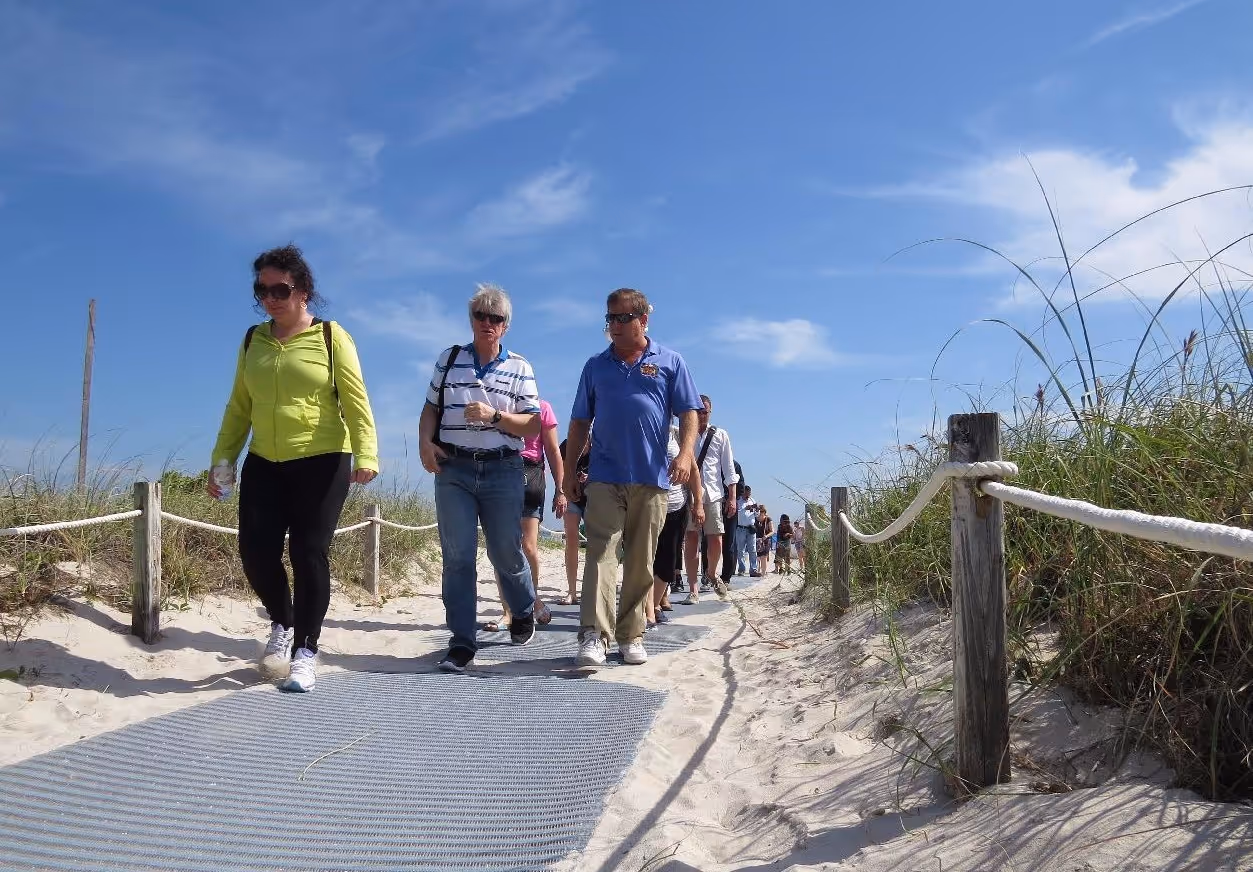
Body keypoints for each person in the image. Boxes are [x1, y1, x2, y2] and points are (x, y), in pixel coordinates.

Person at [209, 244, 379, 693]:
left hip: (323, 459)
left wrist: (367, 453)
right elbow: (238, 407)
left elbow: (356, 400)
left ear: (303, 291)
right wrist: (222, 460)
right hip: (265, 460)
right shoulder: (253, 340)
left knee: (308, 552)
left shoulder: (330, 335)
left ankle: (306, 649)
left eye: (280, 289)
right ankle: (282, 625)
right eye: (262, 290)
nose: (270, 298)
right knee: (256, 552)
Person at [564, 288, 702, 668]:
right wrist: (568, 473)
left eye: (623, 318)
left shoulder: (670, 361)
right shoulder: (595, 366)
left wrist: (687, 455)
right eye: (610, 318)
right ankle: (594, 634)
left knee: (641, 561)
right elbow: (579, 422)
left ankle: (630, 635)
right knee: (601, 554)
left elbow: (688, 412)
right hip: (605, 475)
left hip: (653, 477)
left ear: (643, 320)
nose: (614, 326)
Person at [419, 283, 541, 674]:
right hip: (454, 468)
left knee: (506, 549)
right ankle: (461, 641)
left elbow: (533, 425)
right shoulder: (450, 358)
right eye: (480, 316)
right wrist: (425, 443)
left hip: (503, 468)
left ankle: (523, 608)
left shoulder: (520, 367)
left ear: (506, 326)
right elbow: (429, 408)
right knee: (457, 557)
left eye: (496, 318)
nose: (487, 323)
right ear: (471, 320)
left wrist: (494, 417)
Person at [682, 396, 737, 604]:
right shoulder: (684, 433)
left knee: (716, 539)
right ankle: (693, 589)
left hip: (713, 494)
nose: (702, 415)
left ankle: (713, 573)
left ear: (710, 412)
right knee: (691, 539)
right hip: (689, 494)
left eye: (705, 412)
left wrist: (732, 498)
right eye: (698, 412)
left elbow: (729, 470)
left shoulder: (720, 435)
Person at [652, 425, 702, 626]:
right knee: (647, 558)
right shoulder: (645, 428)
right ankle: (651, 608)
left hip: (676, 506)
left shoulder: (678, 434)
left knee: (668, 561)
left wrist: (698, 503)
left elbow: (694, 470)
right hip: (649, 505)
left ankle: (655, 601)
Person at [558, 436, 590, 605]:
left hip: (593, 498)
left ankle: (591, 588)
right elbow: (561, 471)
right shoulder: (567, 445)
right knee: (571, 540)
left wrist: (589, 477)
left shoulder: (598, 445)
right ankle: (572, 591)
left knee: (596, 543)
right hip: (572, 497)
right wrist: (560, 494)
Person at [734, 485, 759, 576]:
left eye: (749, 494)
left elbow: (756, 515)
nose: (748, 496)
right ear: (743, 493)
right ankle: (741, 569)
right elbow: (736, 513)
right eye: (746, 494)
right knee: (741, 550)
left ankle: (753, 569)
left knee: (753, 549)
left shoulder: (752, 500)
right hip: (741, 528)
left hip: (751, 529)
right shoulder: (738, 501)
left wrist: (756, 510)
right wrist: (745, 508)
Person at [755, 504, 773, 576]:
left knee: (764, 556)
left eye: (762, 511)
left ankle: (763, 573)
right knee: (758, 557)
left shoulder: (768, 519)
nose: (760, 512)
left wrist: (766, 536)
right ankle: (759, 570)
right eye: (759, 511)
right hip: (756, 541)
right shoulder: (755, 519)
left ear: (764, 512)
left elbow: (772, 531)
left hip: (765, 541)